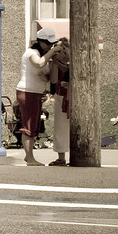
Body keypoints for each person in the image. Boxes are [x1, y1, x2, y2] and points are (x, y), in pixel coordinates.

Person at [16, 28, 65, 166]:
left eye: (52, 44)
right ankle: (30, 158)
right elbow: (39, 63)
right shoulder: (31, 53)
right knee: (29, 126)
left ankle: (29, 156)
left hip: (35, 92)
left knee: (35, 126)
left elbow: (47, 75)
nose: (50, 46)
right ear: (40, 42)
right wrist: (53, 52)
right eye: (48, 43)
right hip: (27, 92)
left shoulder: (44, 55)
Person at [47, 38, 70, 166]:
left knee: (74, 127)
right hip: (61, 96)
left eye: (63, 49)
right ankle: (61, 157)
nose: (61, 52)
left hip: (74, 97)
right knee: (60, 127)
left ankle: (77, 154)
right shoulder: (54, 62)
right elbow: (54, 80)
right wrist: (55, 63)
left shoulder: (75, 60)